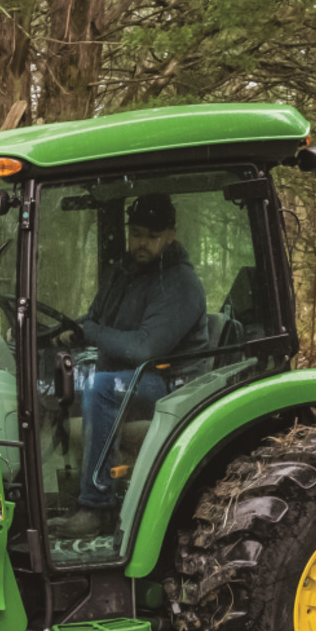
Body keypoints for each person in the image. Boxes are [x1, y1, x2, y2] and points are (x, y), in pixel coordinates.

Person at [52, 194, 205, 537]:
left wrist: (91, 332)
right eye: (136, 233)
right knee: (58, 382)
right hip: (132, 377)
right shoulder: (124, 273)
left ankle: (97, 506)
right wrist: (61, 332)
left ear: (171, 235)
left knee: (101, 388)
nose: (142, 243)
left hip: (170, 384)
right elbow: (94, 318)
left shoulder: (179, 283)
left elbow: (144, 348)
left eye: (152, 236)